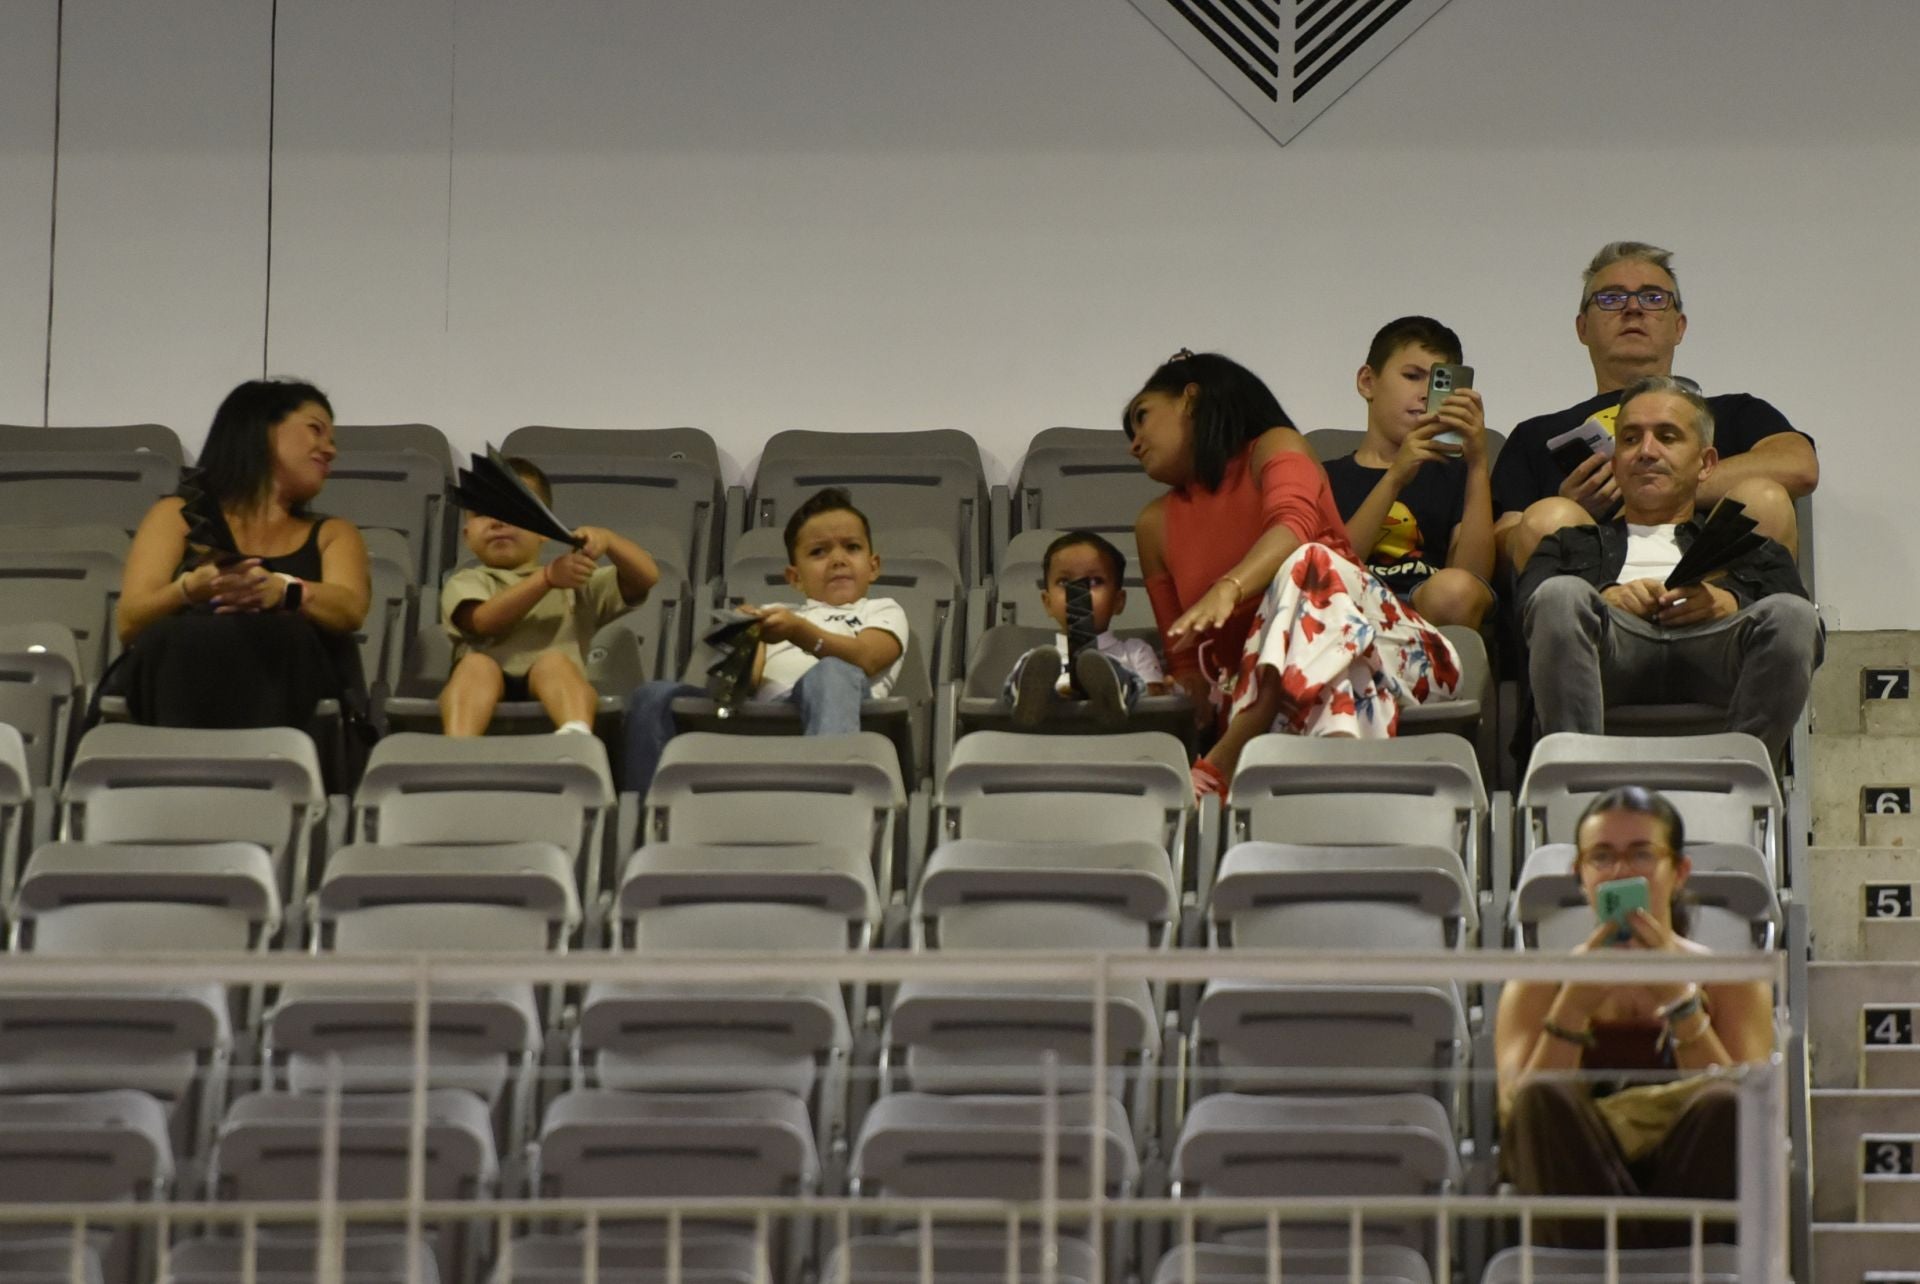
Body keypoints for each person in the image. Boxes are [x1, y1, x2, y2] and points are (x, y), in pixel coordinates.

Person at [1127, 350, 1462, 799]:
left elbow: (1294, 525)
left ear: (1190, 398)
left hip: (1395, 658)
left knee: (1310, 560)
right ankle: (1341, 791)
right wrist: (1182, 689)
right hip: (1294, 694)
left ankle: (1224, 762)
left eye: (1142, 417)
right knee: (1336, 682)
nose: (1134, 442)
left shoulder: (1274, 446)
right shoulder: (1153, 525)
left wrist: (1231, 586)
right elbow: (1188, 660)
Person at [1495, 786, 1774, 1249]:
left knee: (1729, 1102)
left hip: (1692, 1184)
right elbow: (1516, 1115)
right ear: (1580, 874)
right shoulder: (1535, 984)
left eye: (1642, 854)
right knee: (1539, 1097)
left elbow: (1753, 1122)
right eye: (1601, 857)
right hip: (1573, 1184)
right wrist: (1574, 1004)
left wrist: (1682, 1004)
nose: (1621, 871)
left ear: (1678, 871)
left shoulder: (1732, 981)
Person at [1518, 375, 1821, 760]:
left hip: (1715, 651)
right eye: (1630, 439)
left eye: (1667, 437)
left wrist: (1729, 603)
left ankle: (1743, 776)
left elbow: (1800, 620)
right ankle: (1577, 777)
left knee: (1793, 614)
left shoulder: (1741, 541)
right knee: (1559, 594)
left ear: (1706, 463)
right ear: (1615, 462)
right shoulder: (1573, 542)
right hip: (1611, 651)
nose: (1646, 451)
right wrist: (1602, 600)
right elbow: (1527, 611)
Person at [1495, 241, 1818, 571]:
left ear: (1679, 327)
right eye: (1611, 298)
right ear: (1582, 328)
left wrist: (1653, 487)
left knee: (1762, 498)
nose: (1632, 309)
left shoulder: (1736, 412)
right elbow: (1504, 540)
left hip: (1717, 589)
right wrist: (1569, 506)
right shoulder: (1537, 434)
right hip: (1593, 597)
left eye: (1653, 298)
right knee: (1549, 519)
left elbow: (1798, 466)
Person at [115, 379, 371, 729]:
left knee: (283, 635)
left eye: (331, 439)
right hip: (183, 694)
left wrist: (283, 590)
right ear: (260, 429)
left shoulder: (334, 533)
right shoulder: (176, 515)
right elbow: (130, 623)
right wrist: (191, 589)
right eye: (315, 430)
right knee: (177, 637)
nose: (330, 450)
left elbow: (350, 609)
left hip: (292, 709)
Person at [621, 486, 908, 795]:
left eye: (851, 547)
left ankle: (827, 802)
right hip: (761, 720)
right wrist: (743, 638)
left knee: (831, 672)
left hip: (849, 712)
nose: (837, 559)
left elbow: (868, 657)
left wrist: (798, 632)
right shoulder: (775, 614)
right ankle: (647, 818)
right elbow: (740, 688)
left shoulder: (882, 610)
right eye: (818, 552)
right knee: (652, 695)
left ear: (873, 566)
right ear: (794, 577)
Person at [438, 458, 659, 736]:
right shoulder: (466, 581)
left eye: (512, 510)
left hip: (551, 686)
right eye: (482, 512)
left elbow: (646, 577)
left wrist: (610, 540)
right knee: (475, 666)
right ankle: (457, 749)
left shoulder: (573, 578)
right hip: (485, 682)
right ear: (466, 535)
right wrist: (545, 580)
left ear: (545, 527)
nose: (497, 521)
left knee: (554, 663)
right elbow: (484, 622)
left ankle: (575, 735)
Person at [1323, 316, 1495, 629]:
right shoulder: (1326, 476)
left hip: (1428, 614)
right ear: (1367, 382)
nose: (1425, 393)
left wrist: (1478, 464)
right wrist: (1395, 476)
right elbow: (1329, 575)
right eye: (1412, 376)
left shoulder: (1455, 474)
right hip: (1349, 613)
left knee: (1453, 589)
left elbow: (1474, 581)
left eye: (1438, 382)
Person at [1006, 530, 1170, 728]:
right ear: (1047, 602)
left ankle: (1115, 690)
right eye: (1064, 582)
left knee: (1118, 674)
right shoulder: (1039, 660)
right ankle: (1027, 698)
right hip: (1054, 733)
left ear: (1118, 601)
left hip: (1122, 734)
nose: (1079, 591)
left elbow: (1155, 704)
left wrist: (1162, 689)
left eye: (1095, 581)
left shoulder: (1135, 651)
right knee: (1030, 666)